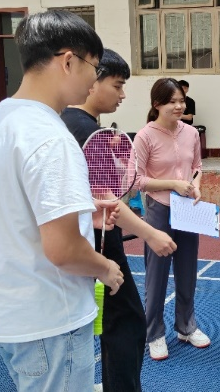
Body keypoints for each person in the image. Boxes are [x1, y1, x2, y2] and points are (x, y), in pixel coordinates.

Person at [0, 9, 125, 391]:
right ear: (68, 61)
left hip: (9, 312)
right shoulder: (51, 138)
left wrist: (80, 211)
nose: (94, 79)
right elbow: (63, 250)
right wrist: (105, 268)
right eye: (94, 68)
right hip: (50, 317)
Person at [61, 48, 177, 391]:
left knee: (112, 322)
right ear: (92, 80)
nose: (123, 94)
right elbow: (107, 199)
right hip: (98, 243)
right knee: (127, 322)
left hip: (82, 239)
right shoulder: (83, 129)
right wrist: (150, 233)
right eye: (118, 85)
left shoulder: (67, 122)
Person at [133, 77, 211, 361]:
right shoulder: (145, 136)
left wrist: (196, 186)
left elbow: (197, 166)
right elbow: (137, 180)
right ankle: (153, 333)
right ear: (157, 104)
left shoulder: (191, 133)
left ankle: (186, 326)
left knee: (188, 270)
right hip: (160, 209)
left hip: (188, 209)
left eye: (182, 101)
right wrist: (173, 184)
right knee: (156, 275)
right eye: (172, 102)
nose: (179, 106)